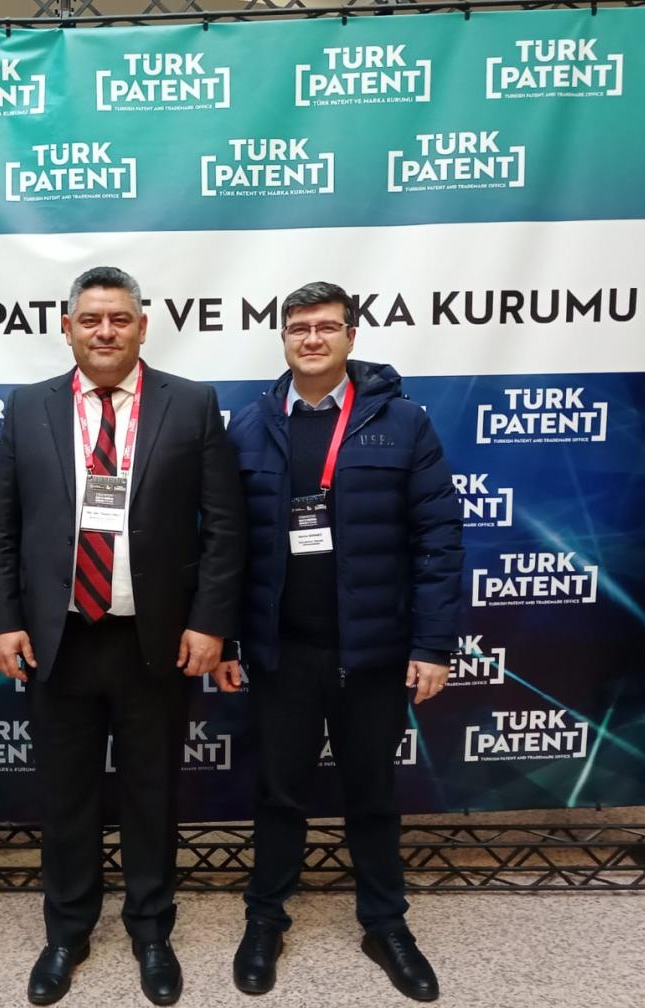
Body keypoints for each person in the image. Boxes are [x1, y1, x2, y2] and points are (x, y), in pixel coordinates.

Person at [0, 266, 245, 1006]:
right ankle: (66, 932)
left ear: (142, 327)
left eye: (119, 319)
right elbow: (1, 529)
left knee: (151, 794)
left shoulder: (191, 404)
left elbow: (225, 529)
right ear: (67, 328)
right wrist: (3, 620)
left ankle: (152, 931)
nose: (105, 331)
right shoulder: (28, 407)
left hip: (153, 641)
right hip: (58, 640)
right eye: (91, 319)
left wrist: (211, 623)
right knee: (65, 797)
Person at [217, 281, 462, 1002]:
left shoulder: (402, 423)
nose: (312, 339)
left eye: (326, 327)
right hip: (282, 652)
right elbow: (226, 545)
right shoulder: (250, 426)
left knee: (373, 794)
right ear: (283, 339)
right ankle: (265, 919)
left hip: (374, 653)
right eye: (299, 328)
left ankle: (385, 924)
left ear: (351, 337)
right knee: (278, 793)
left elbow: (439, 538)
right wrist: (226, 640)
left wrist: (433, 645)